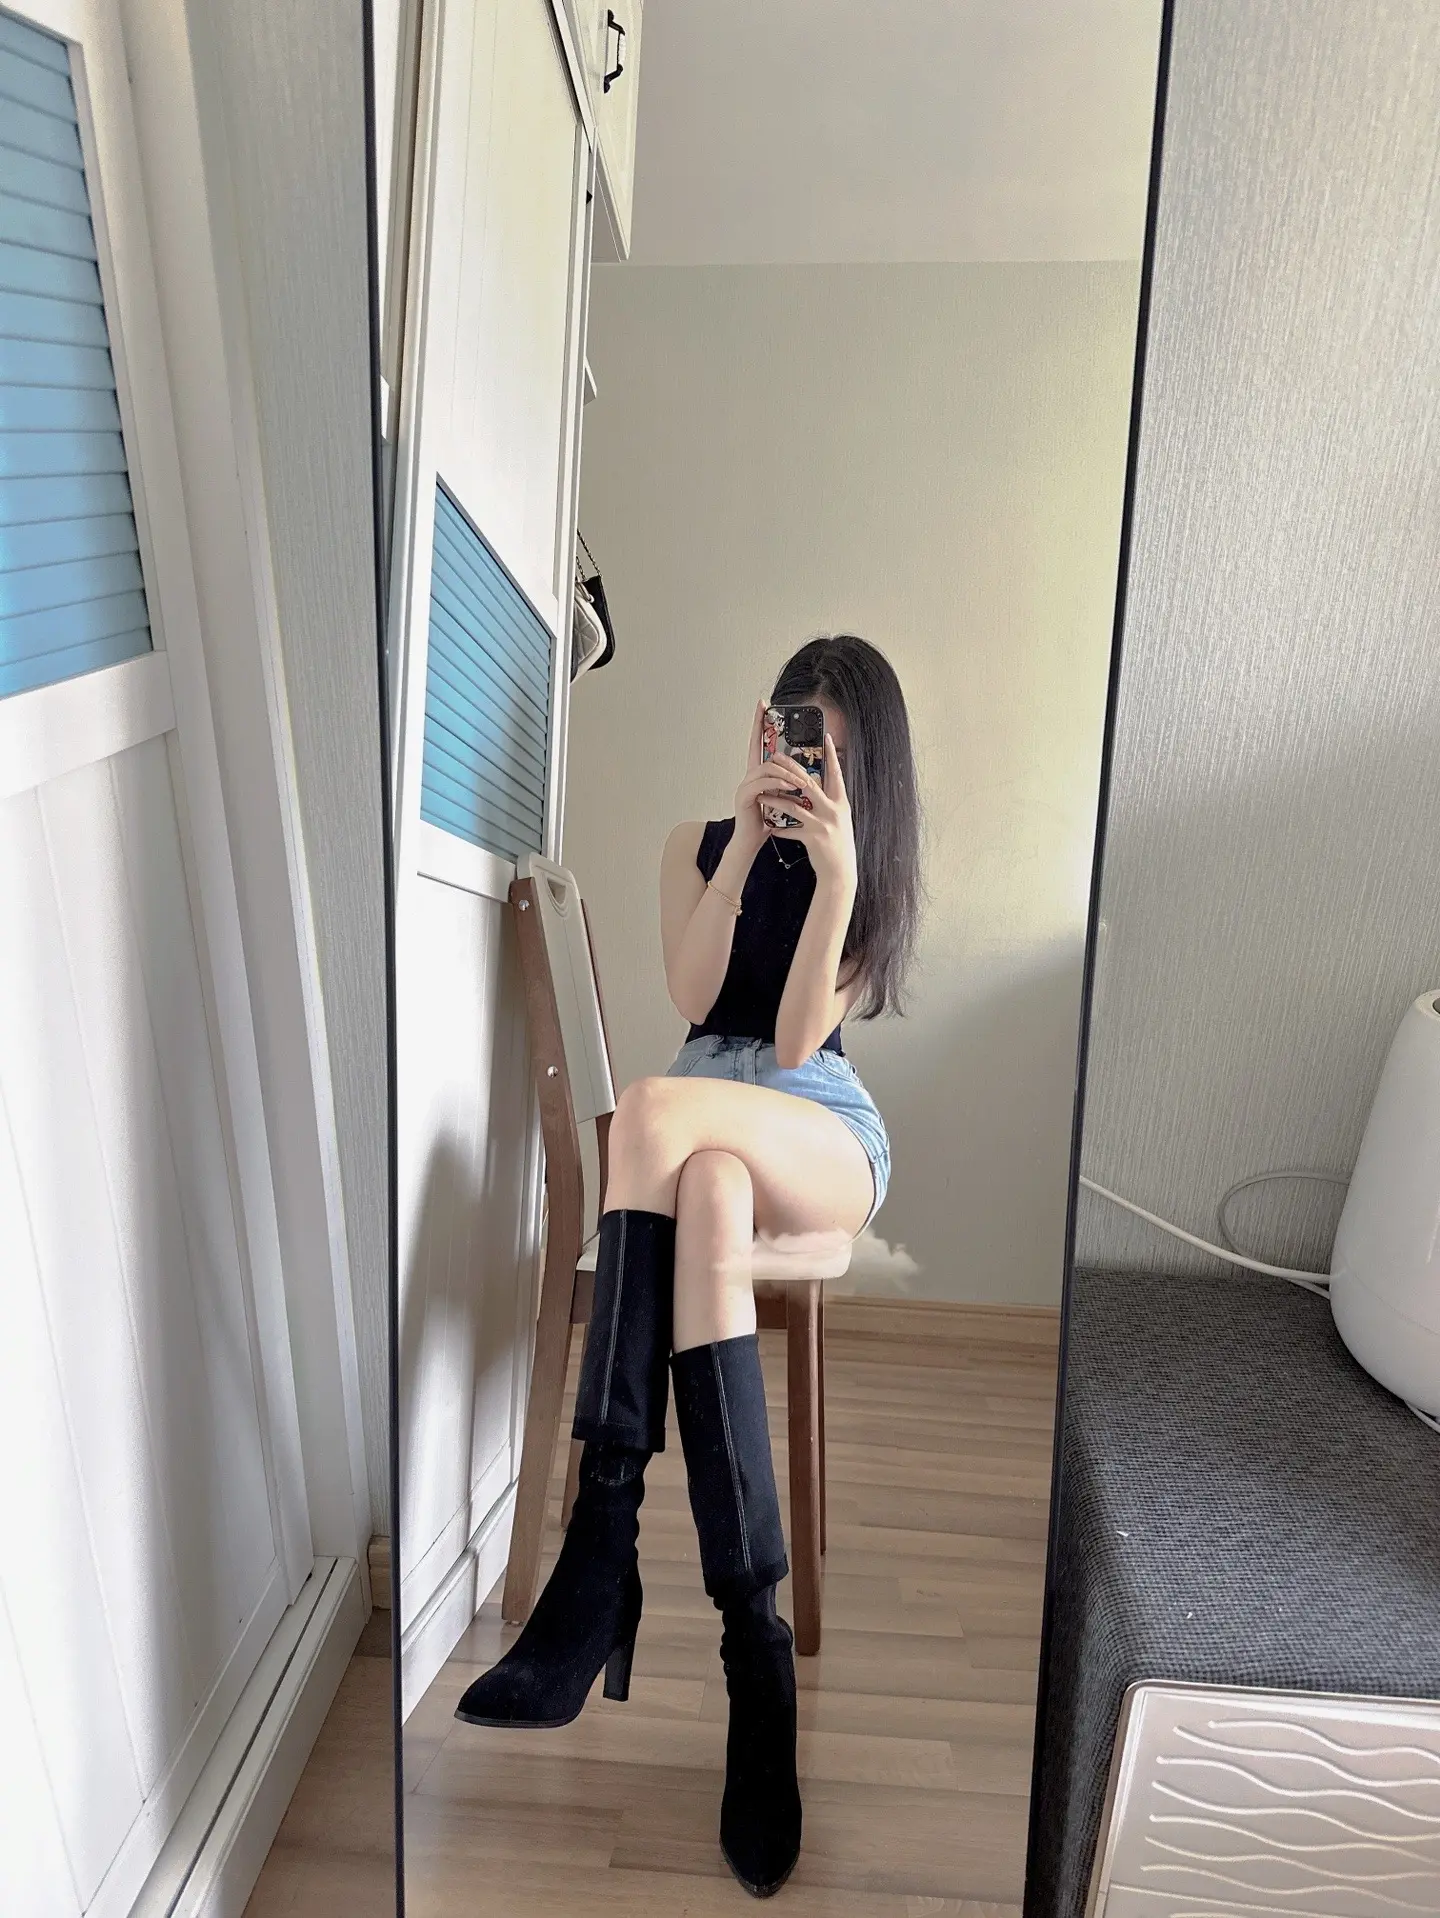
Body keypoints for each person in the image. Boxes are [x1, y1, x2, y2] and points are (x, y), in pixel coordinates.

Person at [455, 634, 922, 1898]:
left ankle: (602, 1548)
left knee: (658, 1115)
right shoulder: (692, 846)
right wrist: (741, 838)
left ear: (864, 768)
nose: (804, 768)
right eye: (793, 738)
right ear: (764, 732)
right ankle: (752, 1655)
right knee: (698, 1176)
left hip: (817, 1128)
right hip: (706, 1133)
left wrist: (833, 875)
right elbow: (694, 989)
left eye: (829, 753)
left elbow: (793, 1046)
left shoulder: (865, 877)